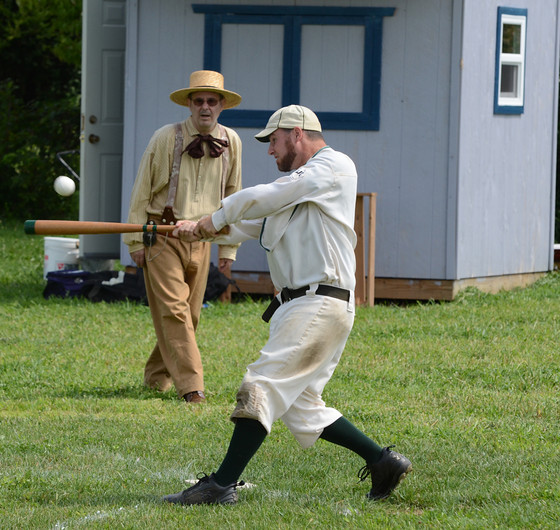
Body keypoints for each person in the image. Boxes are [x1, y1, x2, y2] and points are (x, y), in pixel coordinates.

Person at [164, 105, 412, 503]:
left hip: (319, 302)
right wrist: (197, 228)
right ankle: (382, 461)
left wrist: (216, 216)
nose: (269, 151)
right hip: (301, 307)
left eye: (273, 141)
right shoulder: (303, 189)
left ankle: (220, 485)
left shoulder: (332, 167)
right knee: (300, 404)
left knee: (259, 385)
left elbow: (266, 196)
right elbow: (249, 222)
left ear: (297, 134)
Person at [123, 70, 243, 403]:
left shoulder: (232, 141)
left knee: (190, 316)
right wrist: (134, 240)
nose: (205, 107)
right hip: (162, 234)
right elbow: (141, 189)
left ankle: (156, 375)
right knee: (175, 311)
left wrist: (228, 248)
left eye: (212, 101)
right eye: (199, 101)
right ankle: (192, 388)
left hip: (202, 239)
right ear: (189, 104)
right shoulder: (166, 137)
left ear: (221, 106)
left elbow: (234, 196)